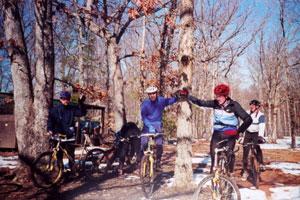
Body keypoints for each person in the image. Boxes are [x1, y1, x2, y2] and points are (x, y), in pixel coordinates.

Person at [182, 83, 252, 174]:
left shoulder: (234, 105)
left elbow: (248, 119)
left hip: (230, 132)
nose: (217, 98)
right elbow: (200, 102)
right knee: (214, 157)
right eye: (216, 96)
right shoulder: (215, 103)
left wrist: (239, 132)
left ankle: (229, 174)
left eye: (220, 96)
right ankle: (213, 183)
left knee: (229, 154)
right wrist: (187, 96)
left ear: (226, 96)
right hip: (217, 133)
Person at [47, 90, 86, 171]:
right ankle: (60, 173)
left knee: (71, 154)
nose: (66, 101)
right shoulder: (54, 109)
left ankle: (73, 171)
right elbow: (50, 121)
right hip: (58, 135)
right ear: (60, 99)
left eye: (68, 99)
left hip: (69, 135)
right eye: (64, 99)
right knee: (59, 155)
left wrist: (81, 103)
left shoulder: (71, 109)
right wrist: (50, 129)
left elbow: (82, 113)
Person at [140, 86, 177, 170]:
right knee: (143, 142)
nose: (152, 95)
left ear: (156, 93)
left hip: (157, 124)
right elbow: (143, 116)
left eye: (153, 93)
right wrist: (149, 125)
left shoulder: (161, 100)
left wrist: (177, 98)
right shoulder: (145, 104)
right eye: (150, 94)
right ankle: (142, 160)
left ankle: (158, 162)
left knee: (159, 144)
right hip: (147, 124)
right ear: (148, 95)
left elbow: (169, 101)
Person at [241, 99, 266, 180]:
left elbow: (262, 126)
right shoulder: (247, 113)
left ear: (257, 107)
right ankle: (245, 171)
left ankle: (261, 163)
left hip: (256, 133)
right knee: (245, 152)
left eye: (253, 105)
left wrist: (261, 136)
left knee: (257, 147)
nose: (251, 106)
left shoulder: (261, 115)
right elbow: (243, 124)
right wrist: (241, 135)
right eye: (250, 105)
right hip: (248, 133)